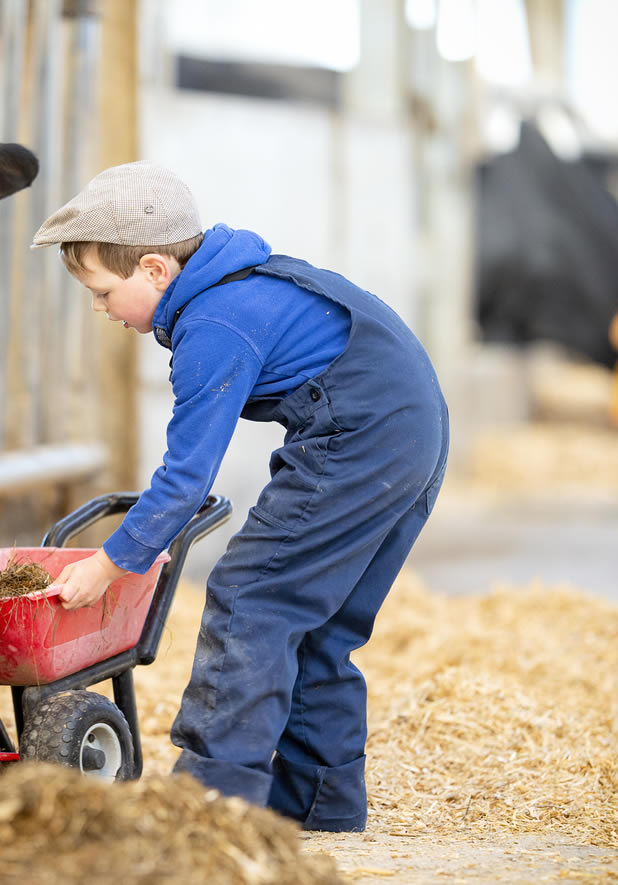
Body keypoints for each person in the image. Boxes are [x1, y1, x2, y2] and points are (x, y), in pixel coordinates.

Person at [34, 161, 448, 832]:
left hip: (366, 434)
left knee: (252, 592)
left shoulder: (214, 326)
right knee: (319, 624)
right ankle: (320, 808)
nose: (99, 308)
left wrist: (110, 561)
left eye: (103, 291)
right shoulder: (237, 284)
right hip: (412, 427)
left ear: (154, 271)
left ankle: (209, 809)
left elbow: (185, 477)